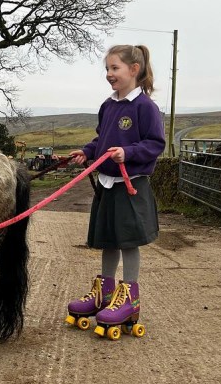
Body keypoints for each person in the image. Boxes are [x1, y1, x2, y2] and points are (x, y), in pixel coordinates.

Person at [65, 44, 166, 337]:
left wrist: (128, 152)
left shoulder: (145, 107)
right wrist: (86, 152)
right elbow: (102, 140)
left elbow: (155, 144)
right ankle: (105, 294)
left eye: (115, 68)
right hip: (107, 186)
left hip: (130, 185)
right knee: (109, 239)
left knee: (128, 241)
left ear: (133, 70)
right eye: (107, 69)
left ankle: (130, 299)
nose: (109, 74)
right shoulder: (108, 106)